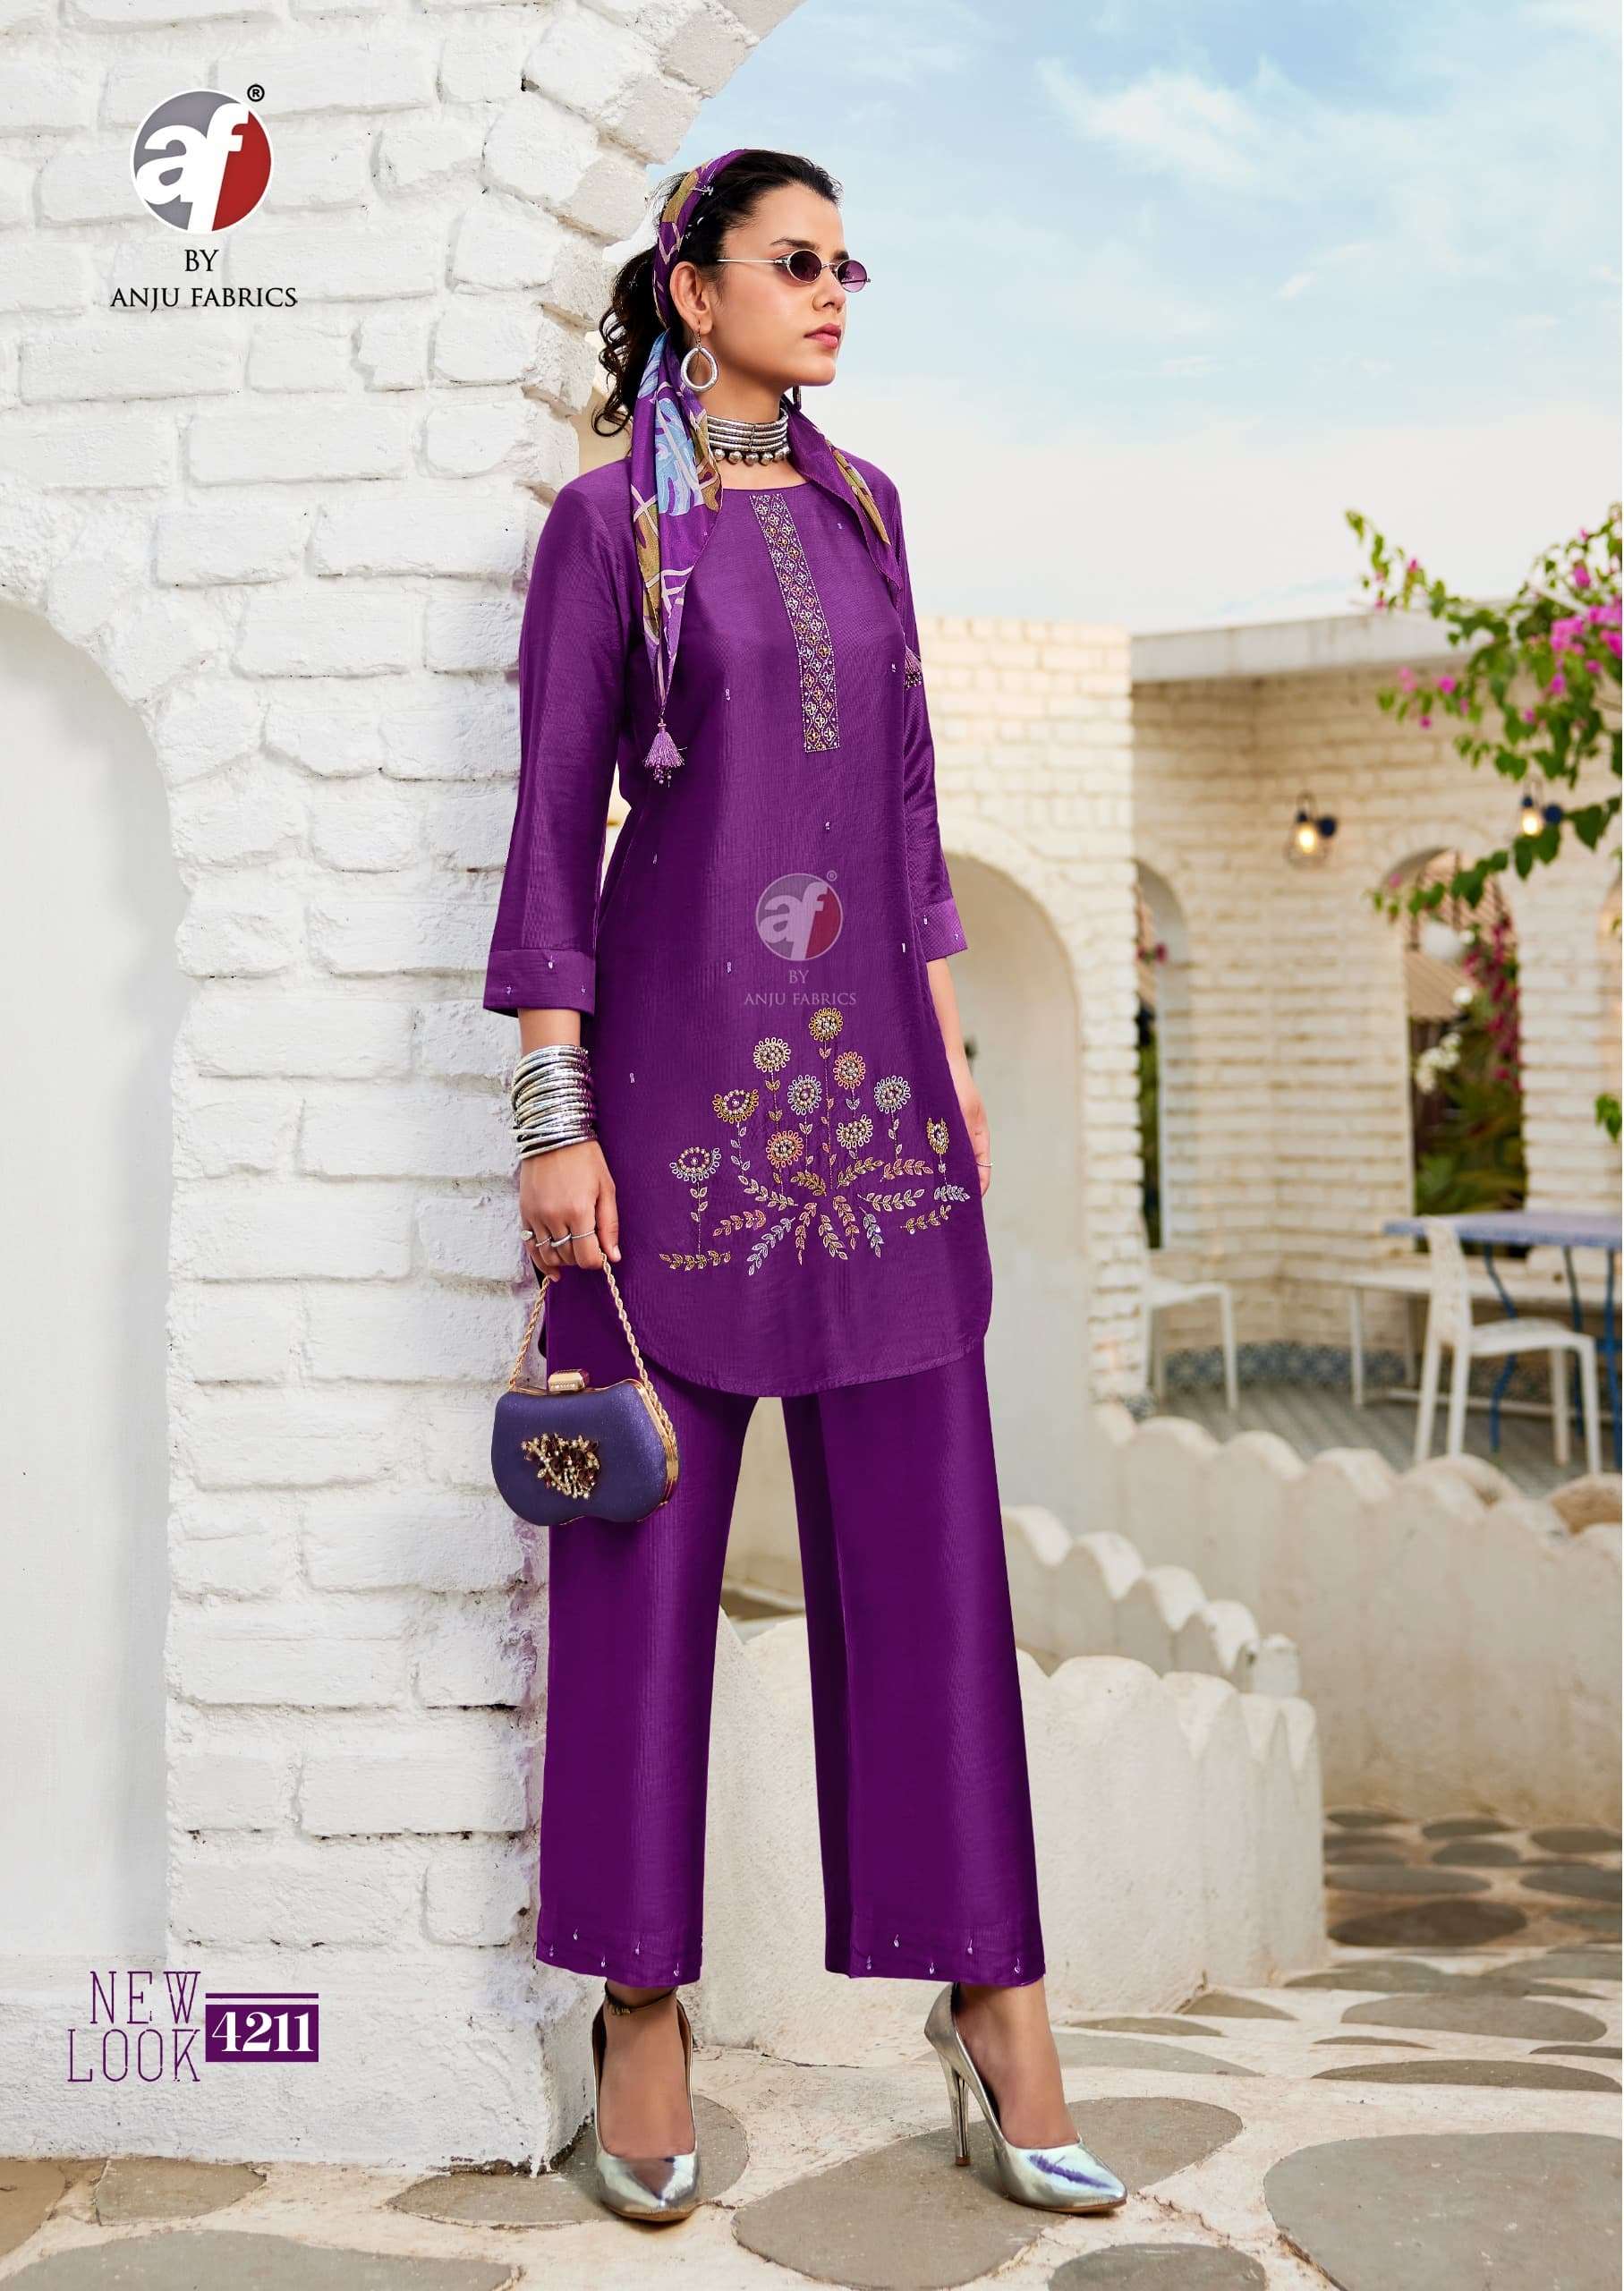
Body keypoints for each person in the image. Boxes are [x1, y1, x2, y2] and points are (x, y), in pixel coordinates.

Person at [484, 146, 1126, 2225]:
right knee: (640, 1565)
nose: (835, 289)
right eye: (793, 260)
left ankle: (995, 1997)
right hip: (666, 1119)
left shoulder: (869, 509)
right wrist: (551, 1114)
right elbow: (548, 829)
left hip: (875, 1124)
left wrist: (948, 1050)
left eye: (850, 262)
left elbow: (908, 812)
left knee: (929, 1569)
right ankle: (637, 2006)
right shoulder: (608, 528)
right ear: (693, 289)